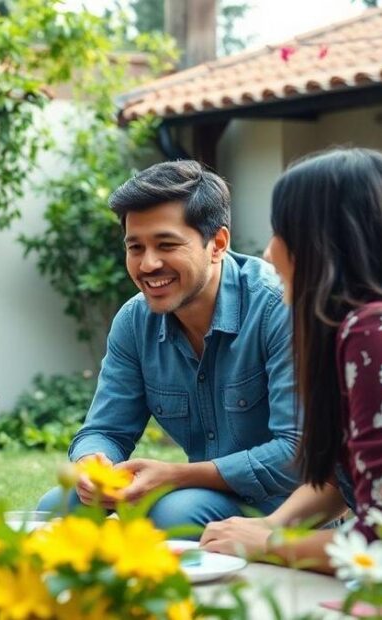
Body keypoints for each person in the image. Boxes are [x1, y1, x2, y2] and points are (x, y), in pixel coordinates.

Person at [37, 160, 300, 531]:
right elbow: (106, 430)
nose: (148, 264)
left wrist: (177, 475)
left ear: (218, 244)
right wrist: (91, 462)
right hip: (200, 494)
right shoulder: (134, 320)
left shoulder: (278, 308)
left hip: (287, 508)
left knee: (174, 514)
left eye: (166, 244)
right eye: (135, 247)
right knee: (59, 505)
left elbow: (296, 453)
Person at [201, 148, 382, 572]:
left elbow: (376, 539)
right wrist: (270, 525)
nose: (267, 252)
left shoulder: (370, 331)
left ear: (323, 241)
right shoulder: (352, 329)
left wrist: (269, 543)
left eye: (281, 231)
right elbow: (352, 480)